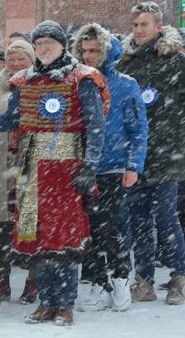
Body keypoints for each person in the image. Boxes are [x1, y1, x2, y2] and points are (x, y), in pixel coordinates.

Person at [0, 20, 109, 326]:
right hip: (29, 169)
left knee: (64, 239)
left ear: (63, 46)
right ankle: (46, 301)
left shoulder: (82, 78)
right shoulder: (23, 81)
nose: (43, 49)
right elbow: (11, 121)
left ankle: (65, 304)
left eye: (48, 44)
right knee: (39, 236)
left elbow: (96, 127)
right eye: (38, 44)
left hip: (67, 170)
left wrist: (89, 166)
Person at [72, 23, 148, 312]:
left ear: (107, 51)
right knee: (88, 228)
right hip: (83, 167)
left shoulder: (126, 84)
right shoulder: (78, 80)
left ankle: (119, 277)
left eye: (95, 50)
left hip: (114, 166)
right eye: (85, 50)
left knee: (111, 226)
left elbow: (138, 128)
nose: (89, 55)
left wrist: (133, 165)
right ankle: (97, 282)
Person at [116, 2, 185, 305]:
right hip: (134, 155)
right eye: (135, 25)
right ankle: (143, 281)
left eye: (145, 24)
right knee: (139, 220)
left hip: (168, 153)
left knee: (167, 217)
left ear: (159, 27)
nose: (139, 30)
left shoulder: (175, 63)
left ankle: (179, 277)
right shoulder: (124, 63)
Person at [0, 40, 38, 305]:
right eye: (12, 59)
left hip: (28, 159)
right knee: (3, 223)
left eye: (22, 58)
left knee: (28, 221)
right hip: (1, 158)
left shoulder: (39, 82)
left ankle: (32, 280)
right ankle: (2, 280)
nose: (16, 64)